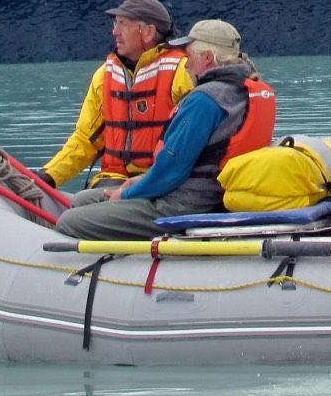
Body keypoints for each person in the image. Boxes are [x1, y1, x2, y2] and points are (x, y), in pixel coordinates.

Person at [53, 19, 277, 241]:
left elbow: (172, 170)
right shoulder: (249, 91)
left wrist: (127, 193)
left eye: (189, 56)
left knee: (69, 220)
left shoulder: (204, 101)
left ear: (207, 58)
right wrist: (139, 182)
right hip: (216, 196)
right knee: (82, 199)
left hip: (185, 204)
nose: (186, 64)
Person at [14, 0, 198, 195]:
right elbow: (86, 139)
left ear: (148, 31)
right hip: (112, 181)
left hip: (160, 181)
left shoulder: (182, 71)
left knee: (81, 206)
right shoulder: (105, 75)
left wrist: (156, 178)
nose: (115, 32)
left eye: (122, 24)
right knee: (87, 201)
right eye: (115, 24)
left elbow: (195, 136)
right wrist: (48, 176)